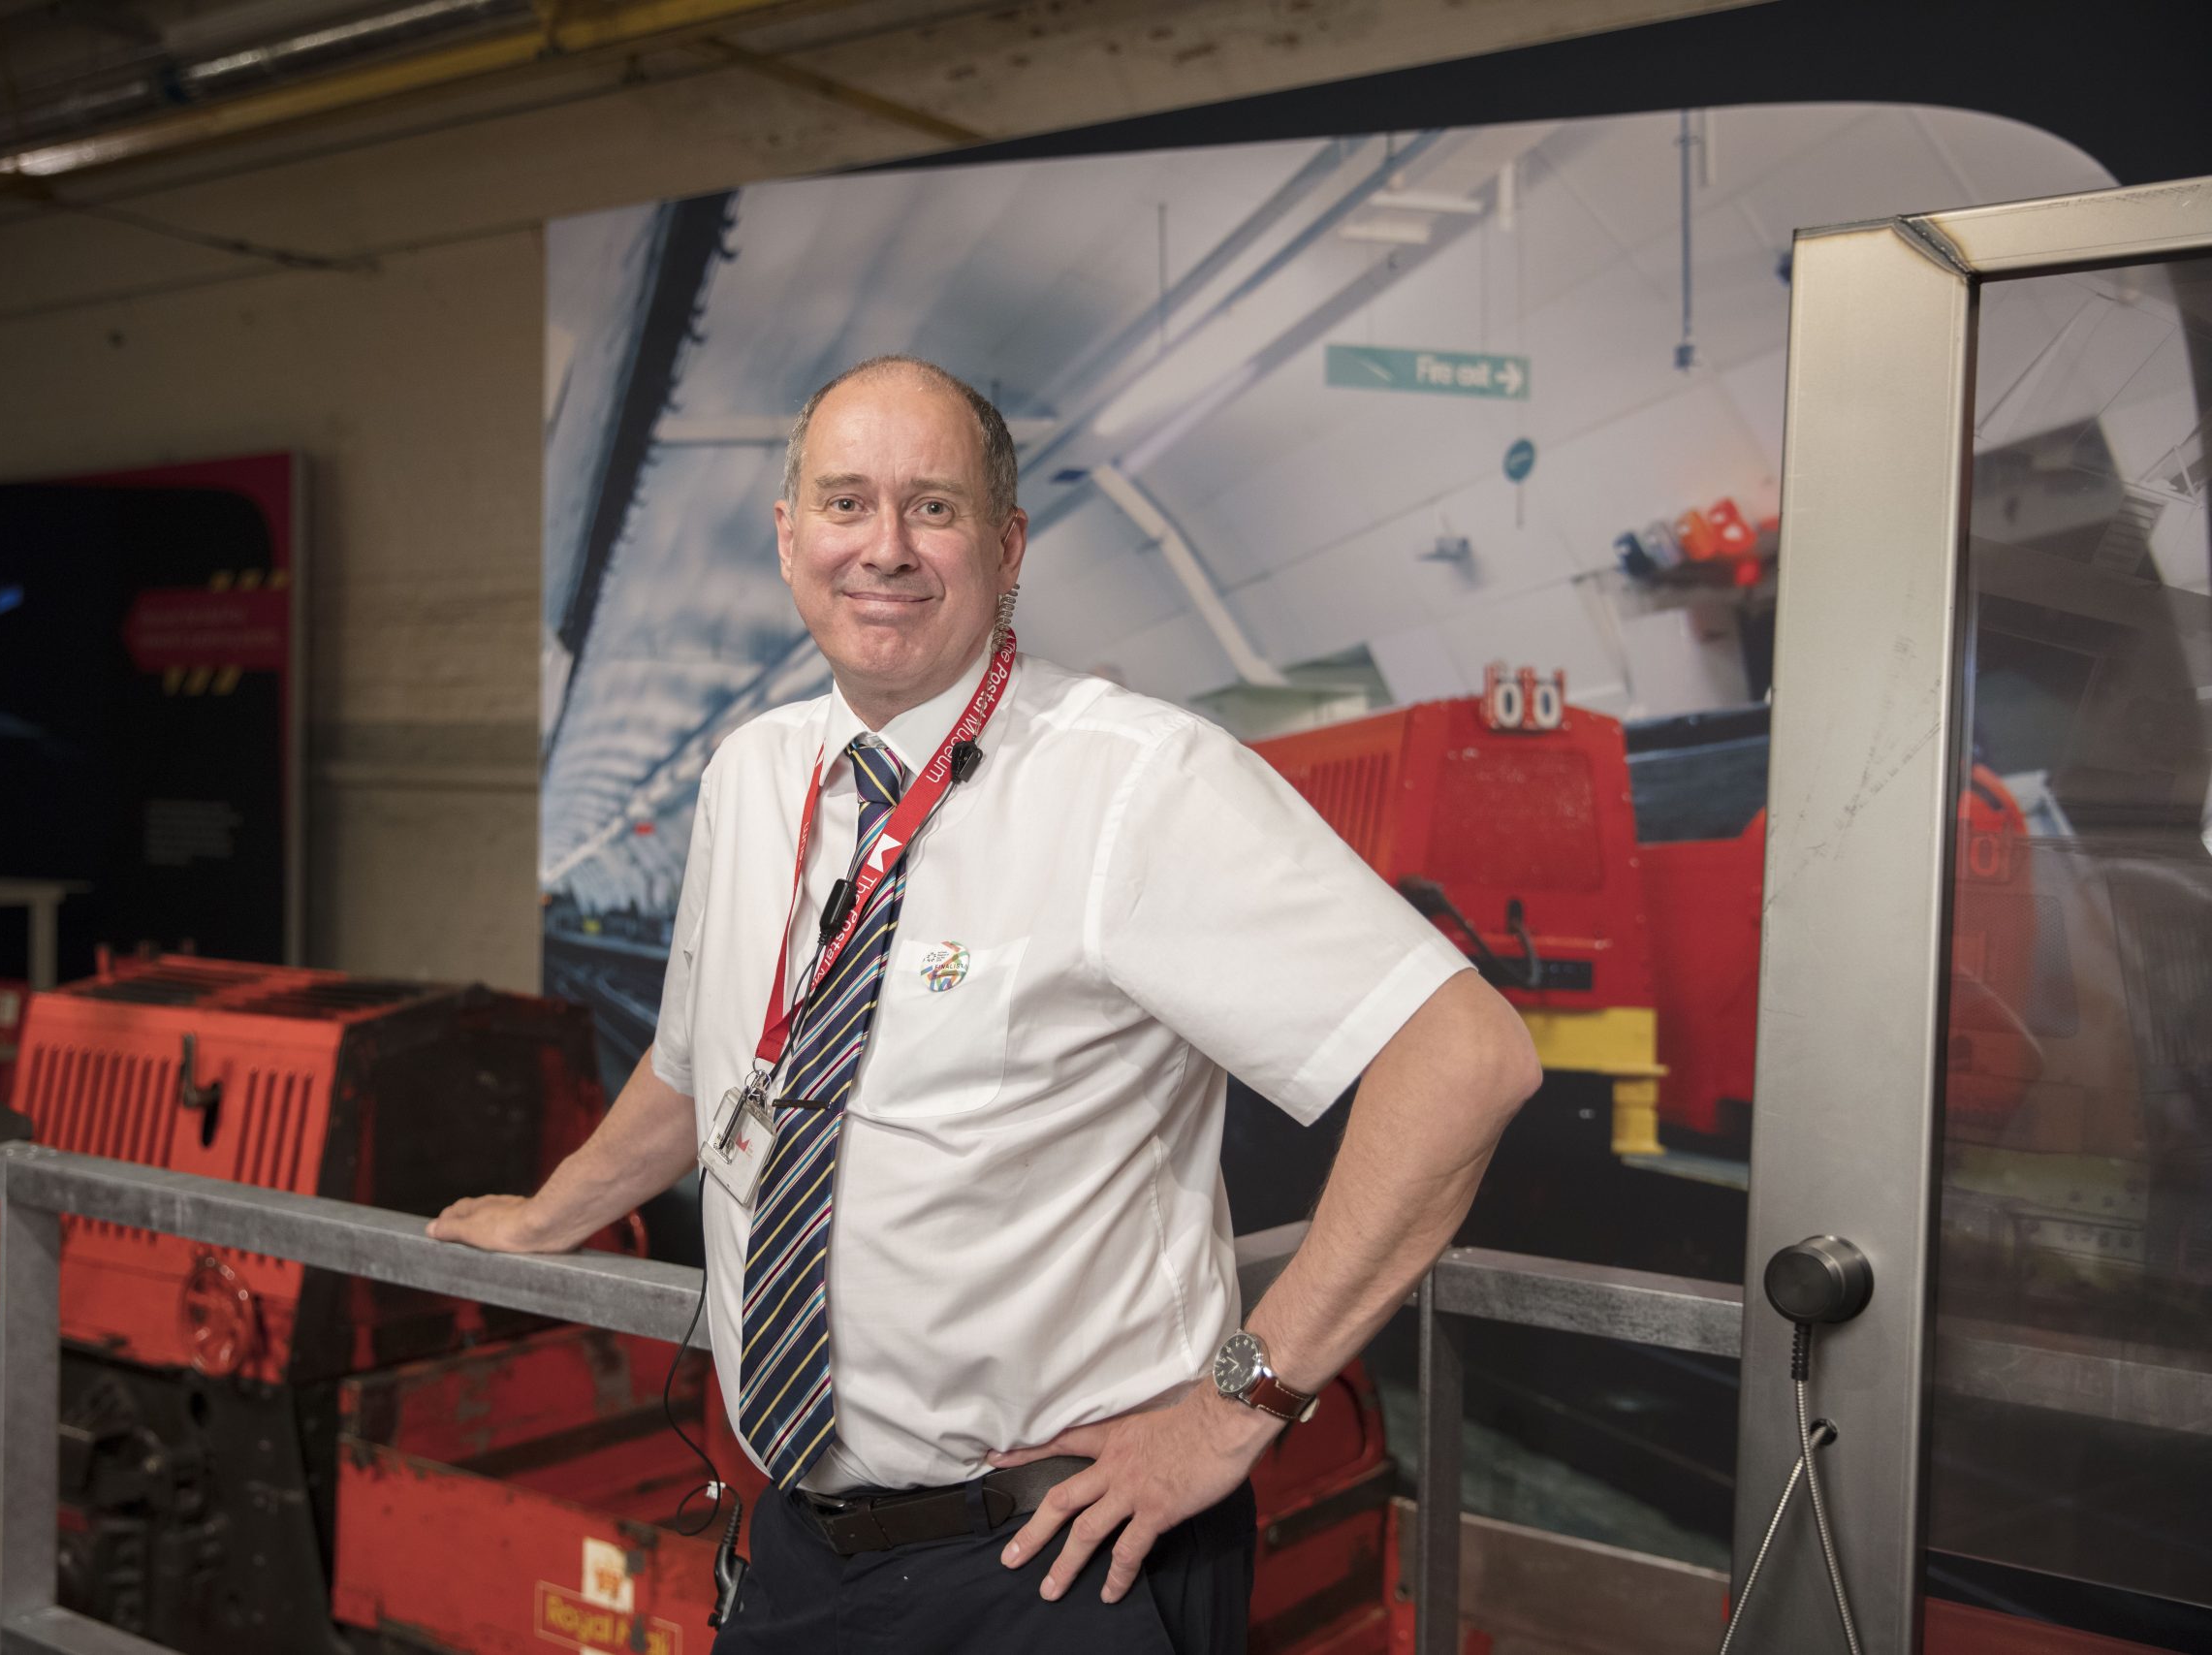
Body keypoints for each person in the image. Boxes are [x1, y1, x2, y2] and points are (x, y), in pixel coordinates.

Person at [430, 354, 1540, 1653]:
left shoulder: (1135, 784)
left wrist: (1239, 1402)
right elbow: (696, 1069)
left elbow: (1466, 1058)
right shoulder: (751, 776)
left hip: (1057, 1562)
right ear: (788, 541)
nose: (884, 548)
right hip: (798, 1543)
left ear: (1007, 549)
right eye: (845, 504)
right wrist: (548, 1214)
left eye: (934, 508)